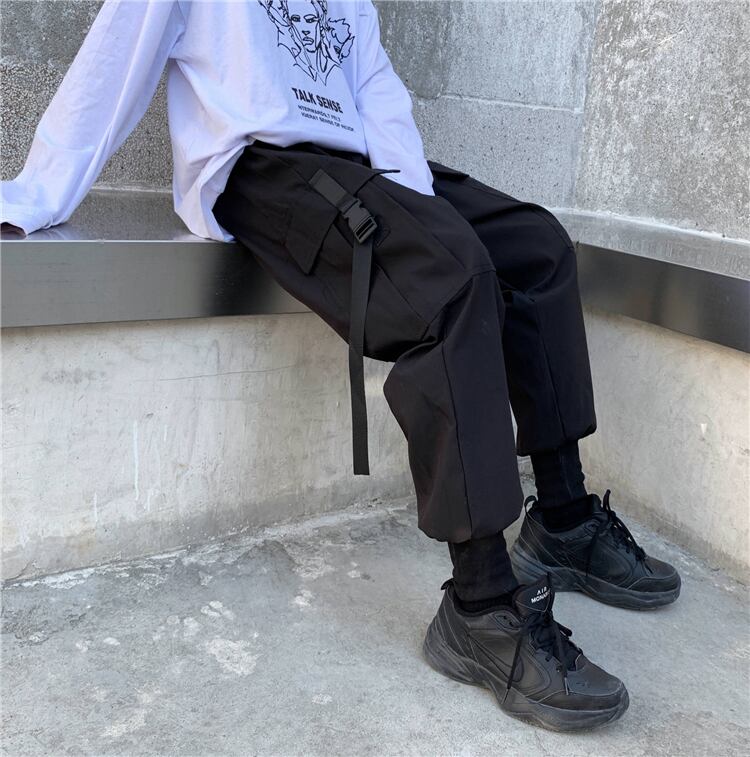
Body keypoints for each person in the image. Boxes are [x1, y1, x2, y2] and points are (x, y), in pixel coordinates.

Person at [1, 0, 681, 732]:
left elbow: (374, 81)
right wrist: (37, 193)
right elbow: (114, 61)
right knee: (449, 280)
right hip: (261, 165)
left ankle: (564, 520)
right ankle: (480, 604)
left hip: (359, 163)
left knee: (536, 246)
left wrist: (416, 199)